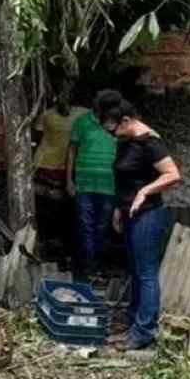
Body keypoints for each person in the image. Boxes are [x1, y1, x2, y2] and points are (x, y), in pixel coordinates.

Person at [102, 96, 182, 350]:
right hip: (128, 213)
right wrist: (118, 208)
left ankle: (144, 331)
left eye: (112, 128)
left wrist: (145, 191)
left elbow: (173, 174)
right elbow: (124, 179)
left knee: (146, 273)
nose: (112, 134)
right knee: (134, 270)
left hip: (148, 214)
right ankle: (133, 324)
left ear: (125, 121)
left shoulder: (150, 142)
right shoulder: (127, 141)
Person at [66, 90, 122, 280]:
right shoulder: (82, 123)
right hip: (85, 184)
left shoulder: (118, 125)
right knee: (85, 227)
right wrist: (69, 180)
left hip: (110, 185)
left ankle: (97, 265)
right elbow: (71, 152)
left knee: (103, 227)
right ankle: (88, 267)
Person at [33, 89, 88, 251]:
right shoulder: (47, 115)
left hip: (67, 165)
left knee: (61, 205)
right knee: (49, 205)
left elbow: (36, 136)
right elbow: (37, 136)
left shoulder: (83, 114)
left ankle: (57, 240)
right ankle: (49, 239)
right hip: (48, 164)